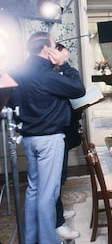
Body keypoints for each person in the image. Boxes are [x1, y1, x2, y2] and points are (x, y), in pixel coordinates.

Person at [7, 32, 85, 244]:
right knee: (48, 195)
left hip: (29, 139)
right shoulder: (46, 74)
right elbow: (78, 89)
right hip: (49, 139)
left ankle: (31, 239)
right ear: (46, 49)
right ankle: (49, 241)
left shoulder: (18, 71)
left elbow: (10, 101)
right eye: (54, 46)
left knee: (33, 190)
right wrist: (64, 64)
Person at [54, 43, 81, 240]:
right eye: (63, 58)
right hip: (54, 135)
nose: (65, 63)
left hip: (64, 133)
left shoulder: (59, 75)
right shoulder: (51, 76)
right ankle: (56, 222)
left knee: (60, 178)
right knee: (55, 180)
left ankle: (59, 212)